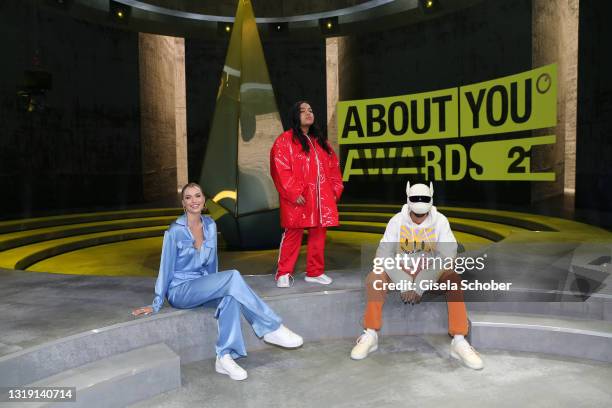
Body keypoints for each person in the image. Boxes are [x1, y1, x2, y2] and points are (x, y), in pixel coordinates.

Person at [132, 182, 304, 381]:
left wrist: (215, 287)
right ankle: (271, 327)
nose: (194, 200)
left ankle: (224, 357)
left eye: (197, 196)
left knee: (230, 297)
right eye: (188, 197)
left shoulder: (211, 226)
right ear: (183, 203)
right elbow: (165, 267)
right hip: (180, 290)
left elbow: (212, 263)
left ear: (204, 200)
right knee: (232, 276)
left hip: (202, 284)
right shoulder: (175, 230)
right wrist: (156, 302)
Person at [349, 182, 484, 370]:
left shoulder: (440, 221)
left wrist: (420, 282)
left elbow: (447, 256)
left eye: (423, 212)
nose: (419, 217)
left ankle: (459, 341)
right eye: (416, 212)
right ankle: (370, 334)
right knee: (375, 278)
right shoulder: (397, 221)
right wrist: (404, 281)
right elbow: (383, 255)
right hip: (400, 270)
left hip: (430, 271)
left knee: (453, 279)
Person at [270, 101, 344, 288]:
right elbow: (280, 169)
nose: (308, 113)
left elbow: (334, 169)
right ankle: (283, 273)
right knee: (293, 233)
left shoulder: (321, 143)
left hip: (321, 199)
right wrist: (293, 192)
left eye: (310, 110)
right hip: (299, 199)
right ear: (295, 116)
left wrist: (335, 191)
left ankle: (315, 272)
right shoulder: (284, 141)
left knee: (319, 234)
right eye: (303, 111)